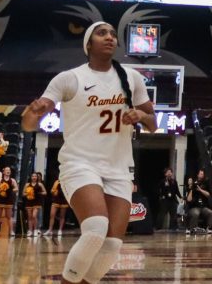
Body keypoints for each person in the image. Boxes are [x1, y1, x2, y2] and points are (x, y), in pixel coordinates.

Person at [21, 21, 157, 284]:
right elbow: (29, 123)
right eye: (102, 33)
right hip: (80, 164)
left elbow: (152, 123)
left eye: (113, 35)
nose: (110, 38)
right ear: (88, 43)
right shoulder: (69, 78)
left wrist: (140, 114)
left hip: (118, 167)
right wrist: (31, 115)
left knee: (112, 247)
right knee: (95, 229)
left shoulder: (132, 77)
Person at [0, 167, 17, 238]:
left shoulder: (12, 180)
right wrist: (1, 189)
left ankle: (11, 231)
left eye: (9, 170)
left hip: (8, 200)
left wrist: (10, 190)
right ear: (3, 172)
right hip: (0, 200)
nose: (8, 171)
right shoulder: (0, 180)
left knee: (9, 216)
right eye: (6, 170)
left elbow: (16, 188)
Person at [23, 172, 46, 237]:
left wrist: (39, 193)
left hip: (37, 202)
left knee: (34, 216)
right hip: (29, 202)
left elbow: (45, 192)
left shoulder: (40, 184)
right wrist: (28, 193)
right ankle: (30, 230)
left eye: (35, 176)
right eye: (33, 176)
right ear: (31, 177)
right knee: (29, 217)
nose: (34, 177)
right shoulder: (27, 184)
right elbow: (23, 194)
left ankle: (35, 229)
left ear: (37, 177)